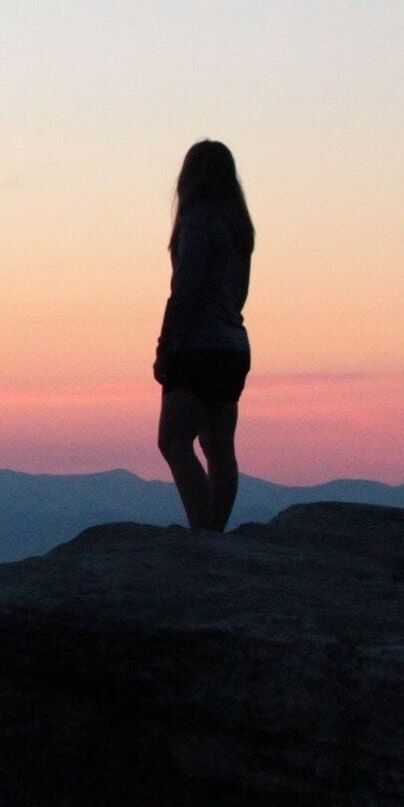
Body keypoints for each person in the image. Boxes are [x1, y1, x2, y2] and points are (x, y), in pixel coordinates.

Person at [154, 139, 254, 531]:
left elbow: (187, 288)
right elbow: (241, 294)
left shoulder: (198, 221)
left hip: (198, 347)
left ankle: (203, 532)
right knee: (218, 445)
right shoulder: (238, 227)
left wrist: (167, 343)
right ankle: (214, 530)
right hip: (232, 347)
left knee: (174, 442)